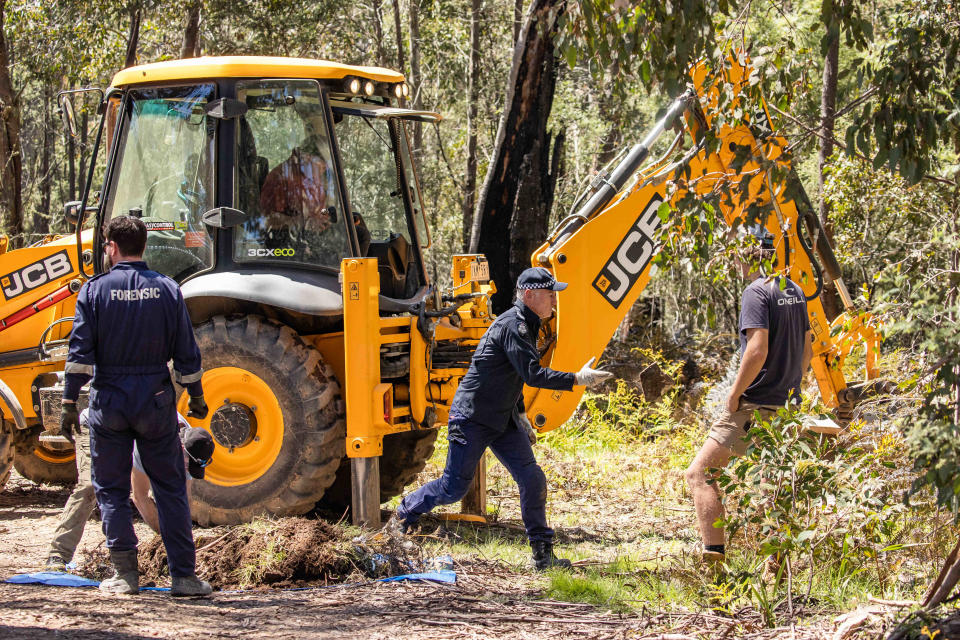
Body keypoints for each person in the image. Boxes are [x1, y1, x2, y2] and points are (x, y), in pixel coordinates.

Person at [389, 267, 614, 570]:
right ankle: (402, 515)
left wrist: (520, 415)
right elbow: (532, 374)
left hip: (502, 418)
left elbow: (511, 376)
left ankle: (542, 555)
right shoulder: (514, 325)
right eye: (550, 295)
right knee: (453, 487)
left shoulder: (530, 322)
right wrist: (577, 378)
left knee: (532, 478)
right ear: (530, 295)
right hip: (472, 417)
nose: (554, 301)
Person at [59, 215, 212, 596]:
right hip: (155, 400)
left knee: (110, 488)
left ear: (111, 246)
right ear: (144, 245)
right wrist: (195, 395)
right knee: (171, 486)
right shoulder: (167, 289)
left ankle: (126, 576)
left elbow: (79, 353)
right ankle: (184, 577)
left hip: (109, 398)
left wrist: (66, 401)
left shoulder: (94, 291)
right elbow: (186, 350)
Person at [684, 225, 812, 564]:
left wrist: (734, 394)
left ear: (745, 253)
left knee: (701, 473)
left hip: (754, 405)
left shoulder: (757, 292)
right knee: (770, 484)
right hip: (786, 406)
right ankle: (776, 569)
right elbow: (807, 351)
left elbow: (756, 349)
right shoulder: (793, 289)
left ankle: (714, 565)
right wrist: (791, 386)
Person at [46, 410, 214, 568]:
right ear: (181, 448)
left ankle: (115, 556)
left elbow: (182, 501)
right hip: (98, 426)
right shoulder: (150, 439)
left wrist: (182, 543)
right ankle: (58, 554)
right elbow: (140, 497)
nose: (185, 469)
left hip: (126, 433)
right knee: (92, 486)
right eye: (185, 465)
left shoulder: (193, 446)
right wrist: (165, 538)